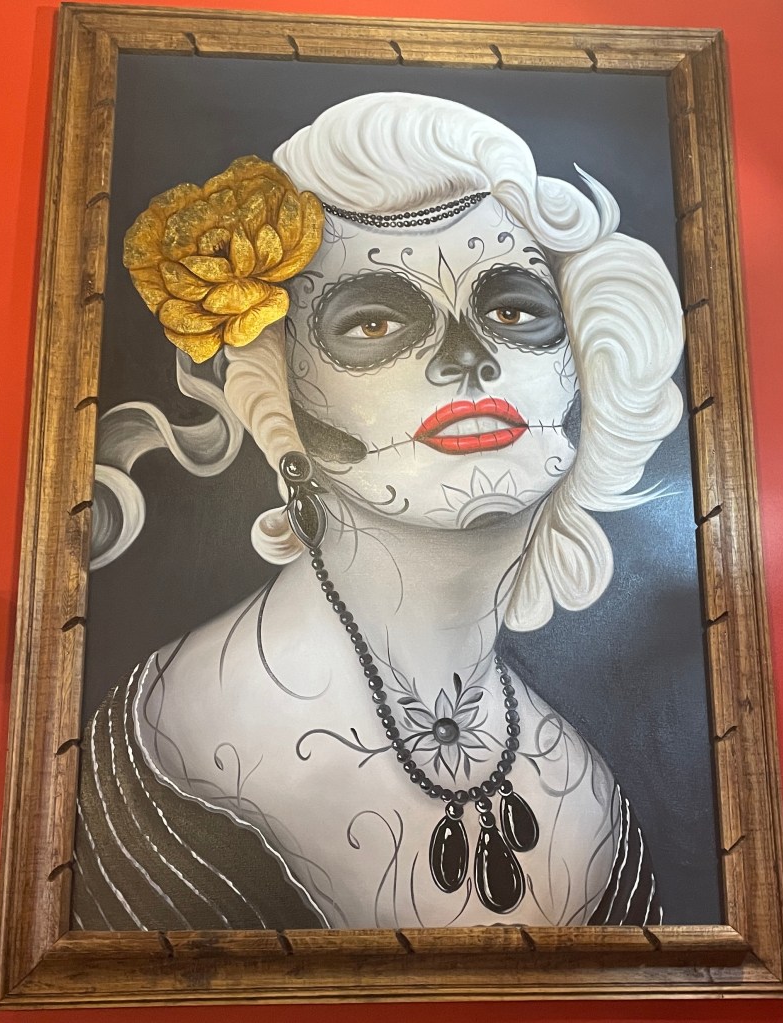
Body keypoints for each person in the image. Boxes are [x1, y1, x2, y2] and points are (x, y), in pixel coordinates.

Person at [71, 92, 683, 931]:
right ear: (279, 401)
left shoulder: (593, 800)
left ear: (588, 361)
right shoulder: (181, 748)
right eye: (375, 321)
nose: (468, 358)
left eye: (513, 310)